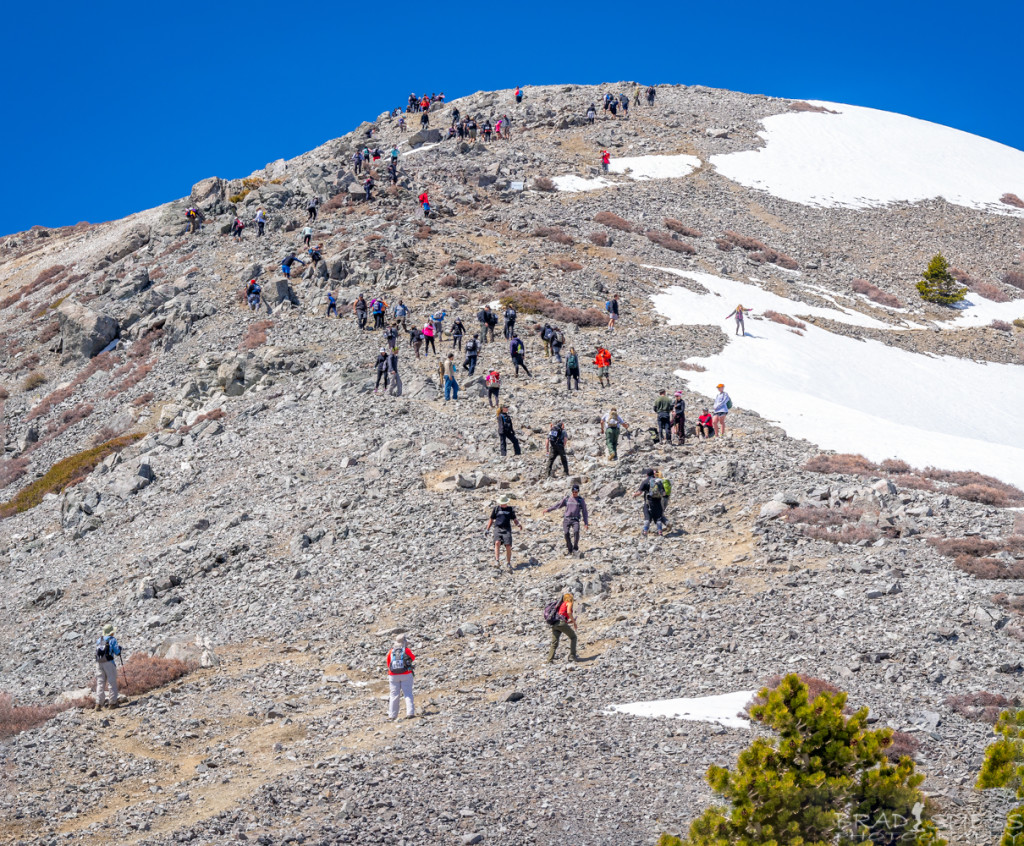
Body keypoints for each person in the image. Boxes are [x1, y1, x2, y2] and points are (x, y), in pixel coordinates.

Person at [545, 484, 589, 555]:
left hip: (575, 520)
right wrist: (548, 509)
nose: (574, 493)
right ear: (571, 491)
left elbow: (584, 512)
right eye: (573, 491)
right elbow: (558, 505)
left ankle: (575, 548)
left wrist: (586, 523)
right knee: (566, 533)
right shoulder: (567, 499)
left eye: (576, 492)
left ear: (578, 492)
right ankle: (570, 549)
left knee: (576, 531)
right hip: (567, 519)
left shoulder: (581, 500)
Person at [486, 494, 522, 569]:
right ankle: (497, 561)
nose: (503, 504)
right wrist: (487, 529)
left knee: (508, 545)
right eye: (502, 503)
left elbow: (514, 519)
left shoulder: (510, 509)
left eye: (504, 503)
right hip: (498, 528)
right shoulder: (496, 509)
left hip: (507, 529)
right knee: (497, 542)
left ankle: (508, 563)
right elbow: (491, 519)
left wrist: (518, 524)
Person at [386, 634, 415, 721]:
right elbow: (412, 658)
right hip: (406, 673)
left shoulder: (391, 651)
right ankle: (410, 712)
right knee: (408, 693)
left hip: (393, 675)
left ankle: (392, 715)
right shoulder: (406, 650)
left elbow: (388, 663)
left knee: (394, 694)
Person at [94, 623, 122, 710]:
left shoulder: (99, 640)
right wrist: (120, 649)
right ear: (111, 632)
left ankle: (98, 704)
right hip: (109, 662)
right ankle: (113, 703)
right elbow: (117, 652)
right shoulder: (112, 639)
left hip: (99, 663)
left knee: (100, 683)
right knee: (111, 682)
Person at [634, 468, 667, 536]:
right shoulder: (659, 481)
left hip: (649, 503)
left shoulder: (645, 482)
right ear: (653, 474)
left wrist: (634, 495)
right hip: (658, 503)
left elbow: (639, 492)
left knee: (647, 517)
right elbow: (664, 493)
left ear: (647, 475)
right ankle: (660, 532)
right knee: (658, 518)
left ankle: (645, 531)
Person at [546, 593, 577, 663]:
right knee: (573, 637)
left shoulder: (561, 605)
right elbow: (569, 612)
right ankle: (572, 656)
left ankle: (549, 660)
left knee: (554, 643)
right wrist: (574, 622)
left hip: (555, 624)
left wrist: (569, 622)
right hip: (561, 624)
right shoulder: (568, 603)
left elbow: (562, 616)